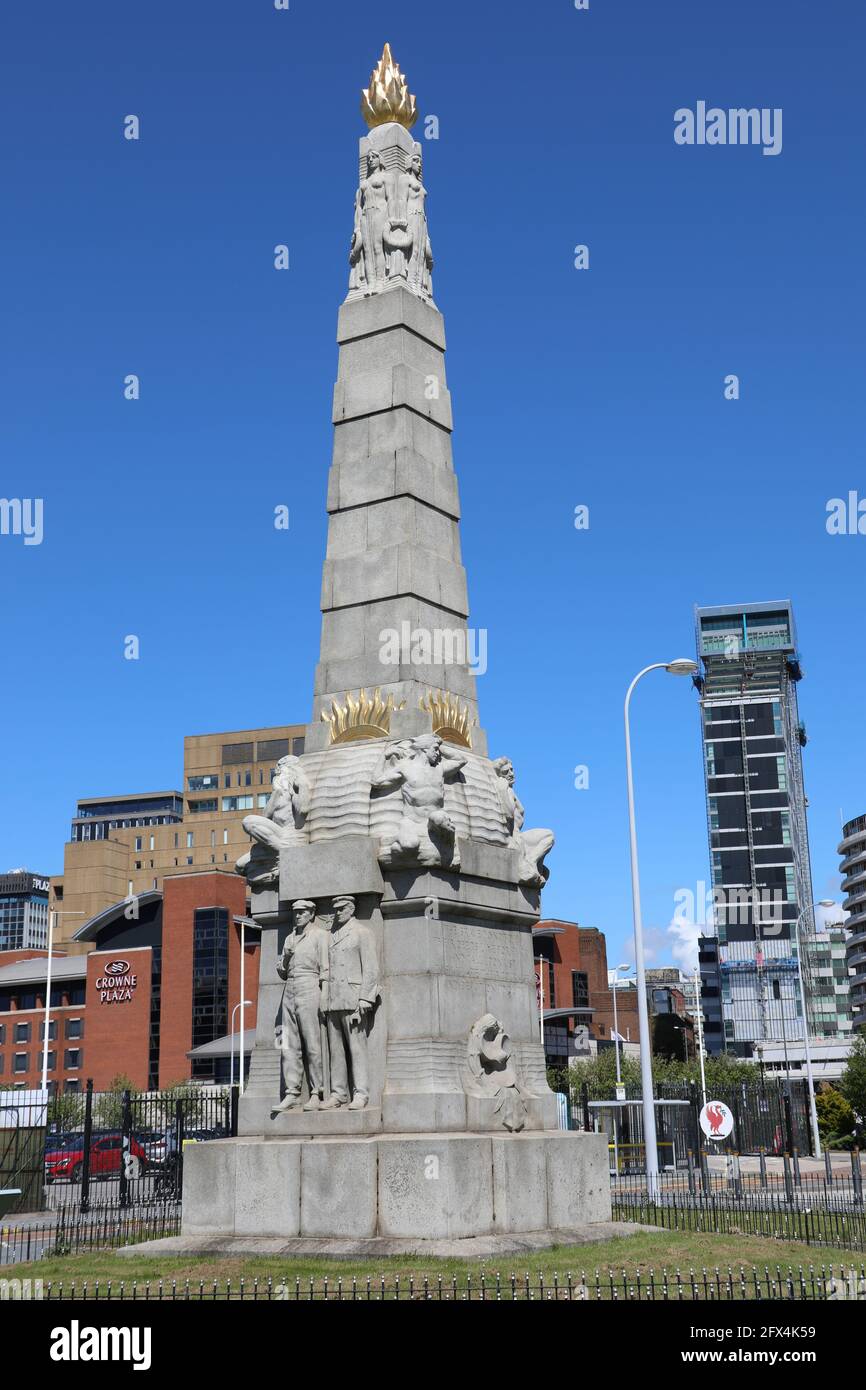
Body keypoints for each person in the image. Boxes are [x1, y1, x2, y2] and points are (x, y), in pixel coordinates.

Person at [321, 896, 379, 1111]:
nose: (338, 912)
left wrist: (365, 998)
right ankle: (338, 1093)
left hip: (353, 999)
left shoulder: (362, 932)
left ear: (352, 908)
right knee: (336, 1051)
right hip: (334, 1000)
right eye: (335, 909)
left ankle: (361, 1093)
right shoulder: (332, 935)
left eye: (342, 908)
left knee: (357, 1049)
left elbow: (371, 968)